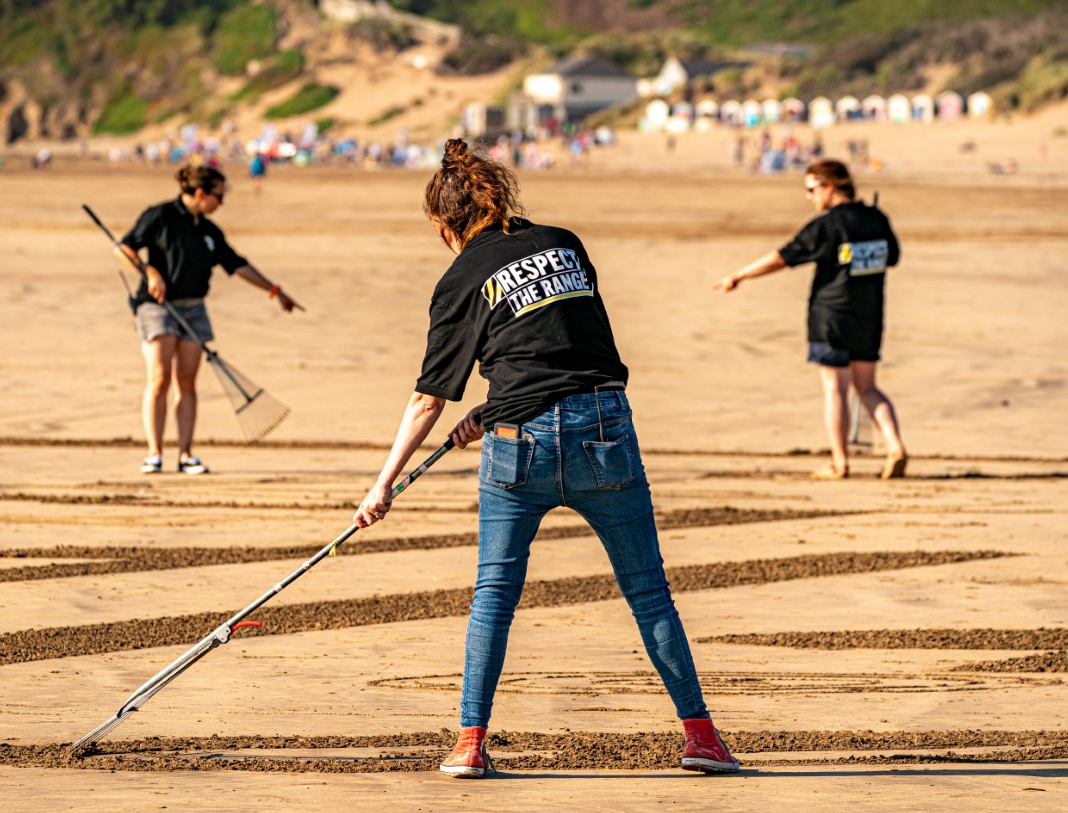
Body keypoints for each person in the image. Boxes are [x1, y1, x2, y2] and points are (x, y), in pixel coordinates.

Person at [354, 139, 739, 779]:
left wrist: (381, 488)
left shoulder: (460, 277)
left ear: (446, 225)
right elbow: (561, 339)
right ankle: (702, 736)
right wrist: (490, 406)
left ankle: (470, 743)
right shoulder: (565, 243)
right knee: (649, 592)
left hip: (520, 450)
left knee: (494, 597)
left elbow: (428, 400)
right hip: (602, 429)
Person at [714, 159, 907, 479]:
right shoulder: (876, 218)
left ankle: (840, 462)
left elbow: (784, 257)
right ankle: (895, 445)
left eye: (812, 189)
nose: (809, 197)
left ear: (830, 187)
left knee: (835, 388)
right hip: (869, 317)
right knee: (867, 387)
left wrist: (740, 275)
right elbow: (893, 257)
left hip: (831, 317)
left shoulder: (828, 225)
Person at [116, 164, 303, 475]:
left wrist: (275, 290)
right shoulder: (159, 216)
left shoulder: (209, 231)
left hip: (194, 308)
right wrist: (150, 272)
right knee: (159, 378)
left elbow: (237, 264)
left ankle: (186, 454)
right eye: (219, 195)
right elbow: (124, 249)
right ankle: (154, 453)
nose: (222, 202)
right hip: (157, 306)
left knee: (186, 381)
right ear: (200, 193)